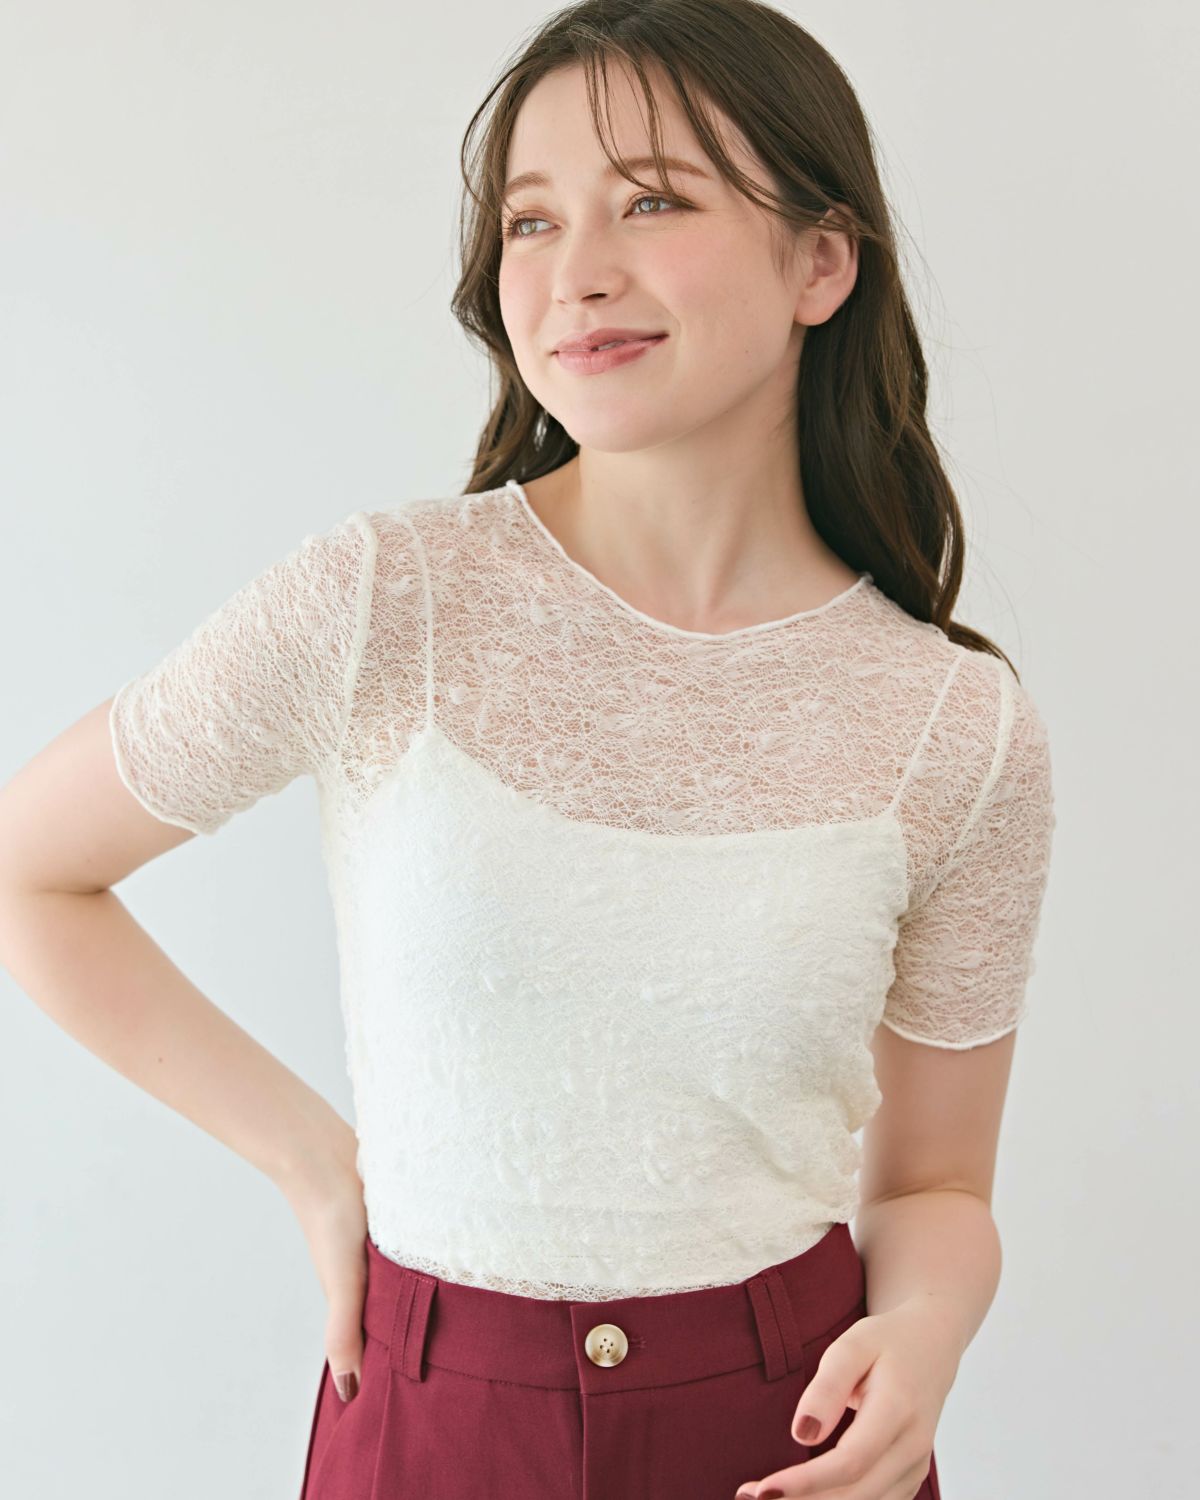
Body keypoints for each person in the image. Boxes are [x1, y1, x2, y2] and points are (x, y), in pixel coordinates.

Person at [0, 3, 1056, 1498]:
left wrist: (931, 1330)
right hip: (431, 1422)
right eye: (532, 220)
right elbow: (30, 871)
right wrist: (315, 1164)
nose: (577, 273)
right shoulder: (386, 602)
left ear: (822, 263)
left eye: (654, 201)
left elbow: (939, 1182)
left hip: (788, 1439)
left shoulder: (956, 724)